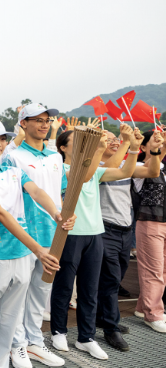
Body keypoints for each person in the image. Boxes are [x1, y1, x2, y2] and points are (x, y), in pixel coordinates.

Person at [0, 118, 72, 368]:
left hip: (20, 254)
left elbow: (36, 191)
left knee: (10, 319)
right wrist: (38, 249)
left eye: (2, 138)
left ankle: (0, 364)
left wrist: (57, 213)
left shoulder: (14, 170)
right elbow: (1, 214)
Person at [50, 127, 142, 359]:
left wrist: (132, 147)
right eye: (77, 141)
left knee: (90, 289)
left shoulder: (96, 169)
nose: (83, 145)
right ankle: (58, 330)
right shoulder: (60, 169)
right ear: (62, 147)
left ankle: (86, 337)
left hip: (95, 233)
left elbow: (125, 171)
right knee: (64, 285)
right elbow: (84, 176)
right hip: (70, 234)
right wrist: (99, 148)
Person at [0, 104, 67, 368]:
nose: (43, 124)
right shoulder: (11, 157)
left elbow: (61, 192)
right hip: (24, 235)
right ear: (23, 124)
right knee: (18, 292)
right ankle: (16, 346)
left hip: (52, 233)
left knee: (41, 291)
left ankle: (34, 342)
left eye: (47, 120)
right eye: (36, 120)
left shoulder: (55, 157)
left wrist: (65, 215)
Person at [96, 128, 163, 350]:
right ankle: (111, 328)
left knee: (116, 276)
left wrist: (154, 151)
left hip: (126, 230)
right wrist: (129, 144)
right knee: (112, 279)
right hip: (105, 229)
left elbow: (153, 172)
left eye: (117, 139)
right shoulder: (97, 167)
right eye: (110, 140)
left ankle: (102, 317)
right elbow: (115, 167)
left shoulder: (126, 167)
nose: (116, 142)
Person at [131, 130, 166, 333]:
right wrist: (154, 151)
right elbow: (151, 169)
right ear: (142, 147)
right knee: (153, 270)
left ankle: (142, 306)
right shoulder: (138, 166)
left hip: (164, 221)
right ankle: (153, 314)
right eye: (152, 141)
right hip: (149, 222)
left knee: (162, 270)